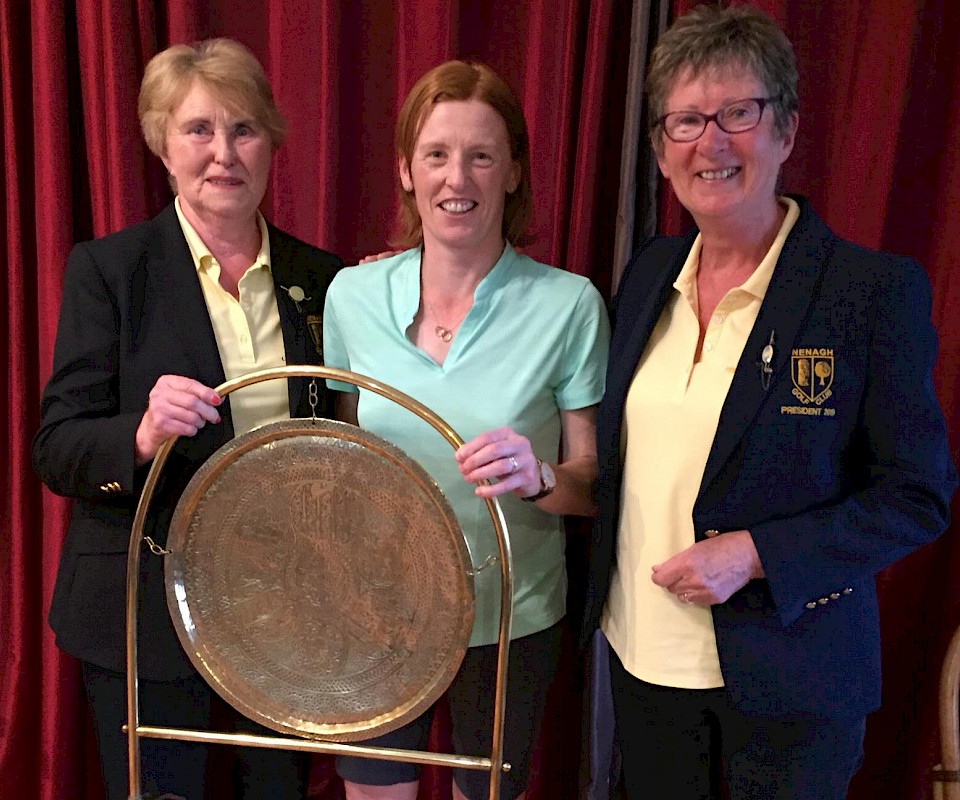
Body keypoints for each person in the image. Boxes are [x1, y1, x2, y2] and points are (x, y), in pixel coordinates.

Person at [582, 5, 958, 799]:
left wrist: (755, 553)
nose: (710, 142)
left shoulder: (870, 294)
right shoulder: (649, 274)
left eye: (738, 113)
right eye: (685, 120)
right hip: (644, 667)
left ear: (785, 130)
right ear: (659, 149)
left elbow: (917, 497)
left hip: (794, 680)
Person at [32, 39, 343, 800]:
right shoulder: (110, 271)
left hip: (283, 618)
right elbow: (57, 447)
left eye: (243, 129)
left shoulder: (325, 280)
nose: (223, 153)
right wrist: (139, 433)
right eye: (198, 130)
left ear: (271, 141)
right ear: (161, 146)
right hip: (142, 616)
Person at [322, 60, 610, 800]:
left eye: (482, 155)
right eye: (437, 155)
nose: (460, 177)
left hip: (513, 619)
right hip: (377, 615)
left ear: (512, 172)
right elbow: (341, 460)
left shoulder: (569, 304)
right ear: (406, 173)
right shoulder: (351, 295)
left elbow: (591, 489)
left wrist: (541, 476)